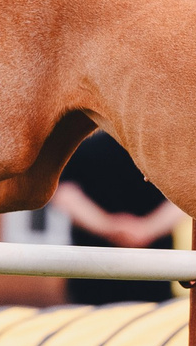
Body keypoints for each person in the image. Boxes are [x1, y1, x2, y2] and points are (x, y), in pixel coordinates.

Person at [50, 130, 188, 305]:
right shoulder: (165, 153)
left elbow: (64, 194)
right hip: (150, 274)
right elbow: (185, 200)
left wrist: (109, 227)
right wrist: (144, 230)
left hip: (92, 273)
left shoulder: (84, 147)